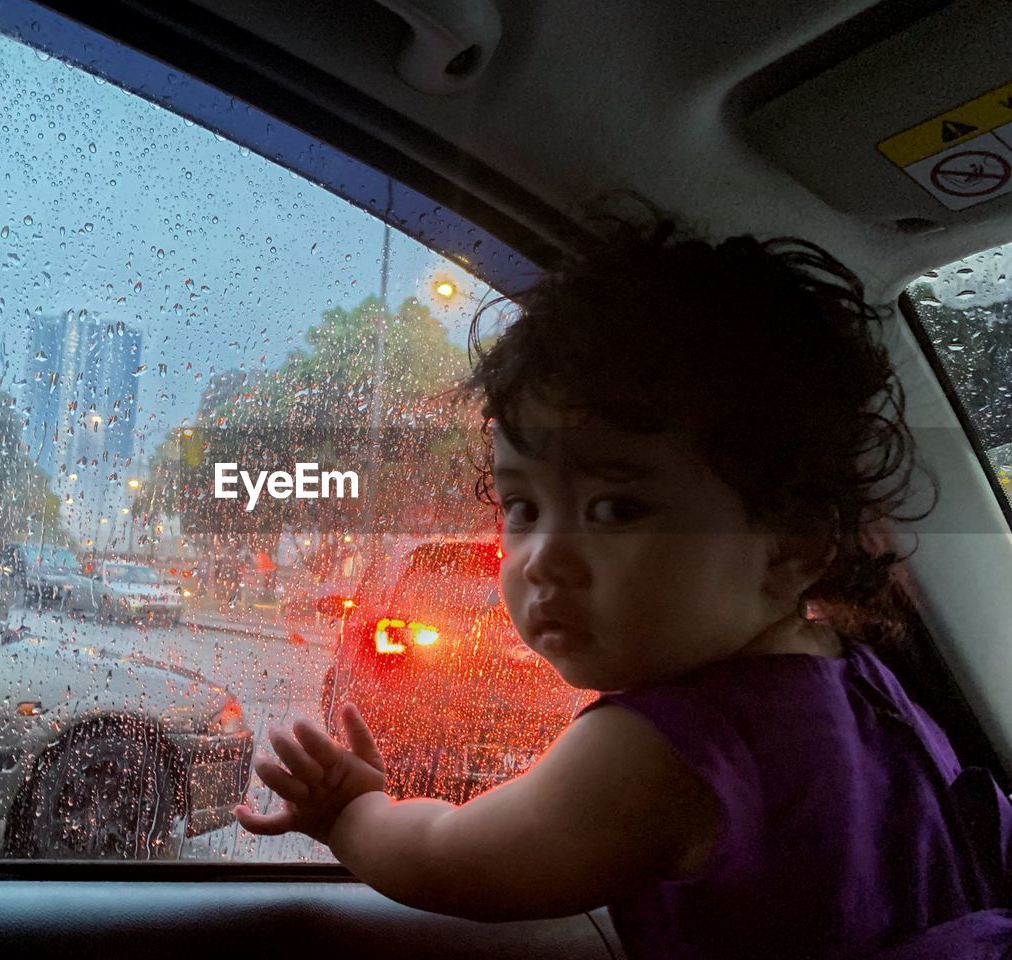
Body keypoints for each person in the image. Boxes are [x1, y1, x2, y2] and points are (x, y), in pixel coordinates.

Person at [232, 201, 1012, 958]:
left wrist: (350, 813)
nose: (543, 558)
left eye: (615, 507)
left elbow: (451, 858)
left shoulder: (660, 753)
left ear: (791, 544)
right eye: (522, 506)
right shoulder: (853, 676)